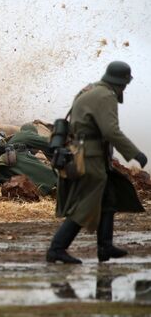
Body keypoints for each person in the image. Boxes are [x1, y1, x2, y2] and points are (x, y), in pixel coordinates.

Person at [46, 61, 146, 264]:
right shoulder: (106, 96)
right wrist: (135, 153)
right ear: (122, 83)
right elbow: (110, 131)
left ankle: (105, 247)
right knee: (87, 204)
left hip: (83, 153)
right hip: (90, 157)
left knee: (107, 199)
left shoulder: (89, 90)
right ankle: (57, 248)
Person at [0, 124, 57, 195]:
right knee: (53, 175)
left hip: (2, 169)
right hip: (15, 160)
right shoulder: (26, 134)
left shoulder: (13, 138)